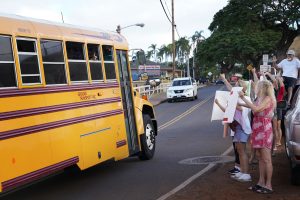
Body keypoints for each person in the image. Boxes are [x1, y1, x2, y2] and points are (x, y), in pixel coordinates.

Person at [239, 80, 276, 194]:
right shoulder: (259, 99)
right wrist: (239, 103)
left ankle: (268, 185)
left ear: (263, 88)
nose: (256, 88)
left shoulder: (268, 99)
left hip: (264, 129)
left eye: (258, 86)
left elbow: (256, 109)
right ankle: (261, 182)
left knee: (266, 158)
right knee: (260, 157)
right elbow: (252, 106)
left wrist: (243, 98)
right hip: (257, 128)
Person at [219, 74, 252, 181]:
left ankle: (246, 173)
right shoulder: (237, 98)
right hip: (237, 128)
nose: (234, 88)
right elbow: (230, 89)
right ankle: (242, 171)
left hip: (243, 128)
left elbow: (242, 109)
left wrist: (232, 104)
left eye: (237, 86)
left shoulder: (246, 98)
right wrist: (224, 80)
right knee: (239, 150)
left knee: (242, 151)